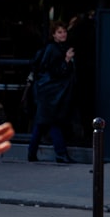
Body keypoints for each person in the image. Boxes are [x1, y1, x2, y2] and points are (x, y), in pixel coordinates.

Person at [27, 21, 76, 163]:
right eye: (60, 32)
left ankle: (32, 152)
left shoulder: (57, 48)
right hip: (50, 93)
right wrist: (66, 60)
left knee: (41, 123)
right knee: (52, 123)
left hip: (49, 93)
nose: (63, 34)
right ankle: (61, 154)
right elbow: (54, 71)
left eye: (64, 31)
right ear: (53, 34)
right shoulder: (52, 49)